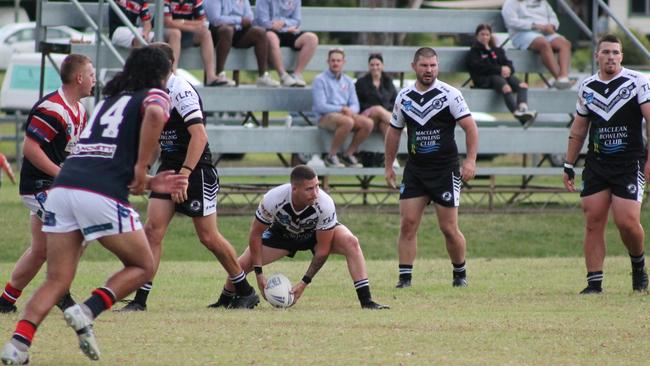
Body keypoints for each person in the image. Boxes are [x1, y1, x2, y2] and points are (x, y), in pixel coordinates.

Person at [0, 46, 188, 365]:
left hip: (62, 188)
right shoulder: (153, 96)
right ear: (161, 74)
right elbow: (156, 115)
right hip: (97, 192)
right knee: (143, 265)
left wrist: (148, 181)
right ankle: (87, 310)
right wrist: (144, 169)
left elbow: (103, 156)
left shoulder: (107, 102)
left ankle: (17, 346)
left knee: (56, 280)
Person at [118, 43, 259, 312]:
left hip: (195, 169)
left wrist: (185, 174)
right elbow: (158, 136)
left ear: (167, 65)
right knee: (152, 231)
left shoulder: (180, 89)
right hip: (169, 167)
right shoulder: (152, 92)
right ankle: (140, 300)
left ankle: (244, 290)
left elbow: (200, 135)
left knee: (208, 237)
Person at [211, 165, 389, 310]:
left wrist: (304, 283)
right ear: (294, 189)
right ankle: (224, 300)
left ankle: (367, 302)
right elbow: (256, 234)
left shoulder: (324, 204)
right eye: (309, 189)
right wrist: (259, 275)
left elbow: (323, 250)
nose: (316, 192)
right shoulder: (273, 199)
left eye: (317, 186)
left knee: (351, 242)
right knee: (241, 264)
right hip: (282, 235)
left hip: (314, 235)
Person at [0, 54, 95, 315]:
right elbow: (30, 149)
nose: (94, 80)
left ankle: (5, 301)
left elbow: (72, 152)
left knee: (40, 250)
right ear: (79, 78)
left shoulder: (79, 110)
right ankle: (60, 292)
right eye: (91, 75)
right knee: (80, 230)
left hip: (55, 187)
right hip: (39, 187)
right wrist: (60, 174)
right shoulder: (53, 108)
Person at [384, 47, 478, 289]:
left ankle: (460, 273)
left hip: (445, 170)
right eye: (424, 66)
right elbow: (393, 132)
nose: (429, 70)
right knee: (408, 224)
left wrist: (470, 161)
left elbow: (470, 127)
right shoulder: (404, 97)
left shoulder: (450, 94)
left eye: (433, 66)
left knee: (448, 228)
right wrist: (388, 166)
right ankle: (404, 279)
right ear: (414, 66)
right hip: (415, 169)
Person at [563, 34, 649, 294]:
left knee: (627, 221)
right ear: (596, 56)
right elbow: (579, 128)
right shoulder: (587, 87)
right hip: (597, 162)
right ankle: (594, 283)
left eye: (615, 52)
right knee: (593, 219)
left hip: (629, 162)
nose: (611, 57)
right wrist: (569, 163)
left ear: (621, 56)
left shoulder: (638, 82)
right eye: (606, 52)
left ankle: (638, 267)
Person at [467, 23, 537, 128]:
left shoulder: (497, 50)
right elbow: (480, 68)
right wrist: (499, 69)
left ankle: (523, 109)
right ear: (477, 36)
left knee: (522, 85)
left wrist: (508, 69)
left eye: (487, 34)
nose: (485, 37)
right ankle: (516, 112)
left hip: (501, 77)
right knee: (506, 87)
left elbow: (508, 63)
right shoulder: (474, 52)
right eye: (482, 34)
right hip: (485, 79)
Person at [312, 48, 374, 168]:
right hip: (325, 116)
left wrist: (350, 111)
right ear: (328, 62)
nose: (336, 63)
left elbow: (355, 104)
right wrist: (341, 109)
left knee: (368, 123)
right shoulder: (320, 80)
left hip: (344, 114)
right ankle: (331, 156)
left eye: (338, 60)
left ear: (343, 62)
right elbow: (320, 106)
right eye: (333, 60)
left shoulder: (348, 81)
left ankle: (348, 155)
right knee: (348, 121)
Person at [205, 0, 279, 87]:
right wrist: (239, 20)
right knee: (227, 30)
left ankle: (263, 76)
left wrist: (241, 22)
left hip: (239, 30)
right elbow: (215, 20)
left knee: (260, 32)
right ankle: (219, 74)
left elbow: (249, 17)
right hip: (218, 33)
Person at [501, 0, 573, 89]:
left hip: (545, 33)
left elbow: (553, 17)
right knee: (543, 44)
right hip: (522, 34)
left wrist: (552, 26)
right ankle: (559, 78)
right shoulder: (511, 3)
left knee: (565, 44)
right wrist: (535, 26)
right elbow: (511, 22)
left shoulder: (543, 3)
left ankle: (564, 77)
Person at [254, 0, 318, 87]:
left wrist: (284, 23)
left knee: (312, 38)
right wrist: (285, 28)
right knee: (271, 37)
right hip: (270, 32)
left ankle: (297, 75)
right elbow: (263, 22)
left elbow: (297, 20)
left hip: (289, 31)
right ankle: (283, 76)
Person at [109, 0, 182, 71]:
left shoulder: (141, 2)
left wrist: (145, 34)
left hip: (133, 29)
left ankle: (170, 71)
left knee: (164, 39)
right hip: (117, 30)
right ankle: (136, 75)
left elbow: (147, 23)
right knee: (139, 39)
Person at [163, 0, 221, 85]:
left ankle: (211, 76)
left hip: (185, 33)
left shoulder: (196, 1)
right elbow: (168, 23)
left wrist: (183, 21)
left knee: (206, 33)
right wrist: (192, 27)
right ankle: (173, 75)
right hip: (164, 33)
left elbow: (202, 22)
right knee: (175, 33)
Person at [354, 53, 397, 141]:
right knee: (377, 109)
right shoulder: (361, 83)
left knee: (385, 126)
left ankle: (390, 155)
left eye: (377, 65)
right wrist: (372, 109)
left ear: (382, 66)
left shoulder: (388, 81)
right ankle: (398, 123)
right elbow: (357, 103)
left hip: (384, 118)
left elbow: (395, 101)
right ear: (369, 67)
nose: (375, 67)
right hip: (368, 117)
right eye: (372, 65)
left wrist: (384, 110)